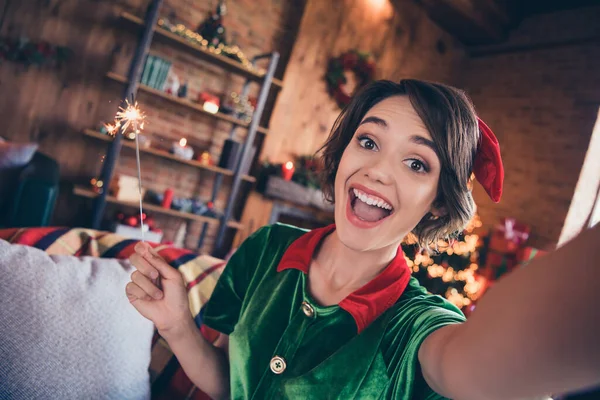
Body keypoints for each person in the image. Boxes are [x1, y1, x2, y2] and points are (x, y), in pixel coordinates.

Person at [125, 79, 600, 400]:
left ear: (437, 201)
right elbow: (232, 385)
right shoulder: (265, 248)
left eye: (417, 164)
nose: (376, 171)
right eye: (369, 142)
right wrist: (176, 325)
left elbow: (477, 367)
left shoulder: (417, 325)